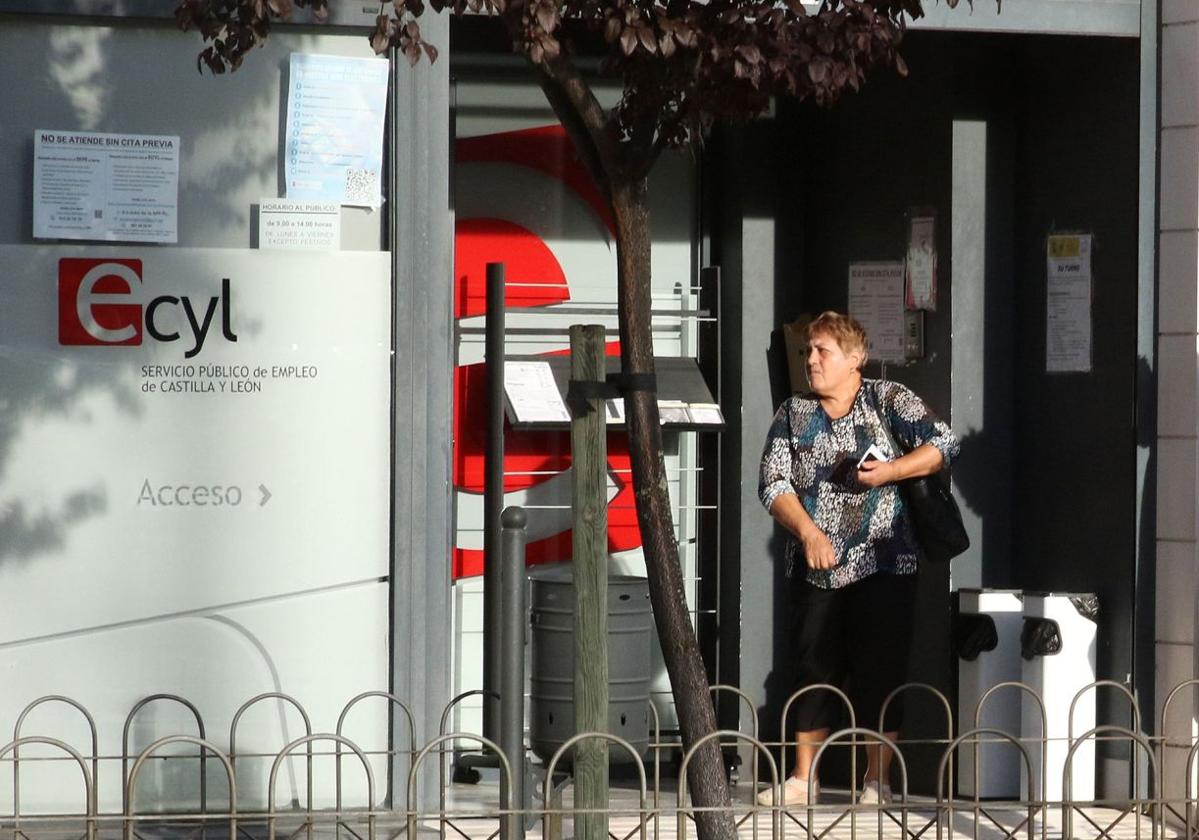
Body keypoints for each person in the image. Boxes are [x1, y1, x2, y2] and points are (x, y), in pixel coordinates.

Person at [755, 311, 959, 807]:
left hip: (886, 562)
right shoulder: (793, 413)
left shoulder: (888, 399)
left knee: (881, 669)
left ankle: (877, 783)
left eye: (823, 351)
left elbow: (944, 443)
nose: (811, 361)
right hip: (817, 564)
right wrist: (807, 532)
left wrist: (890, 472)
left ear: (855, 359)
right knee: (814, 667)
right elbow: (772, 483)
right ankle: (805, 779)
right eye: (808, 352)